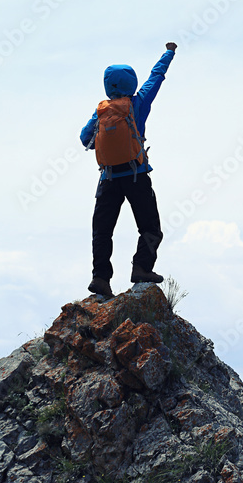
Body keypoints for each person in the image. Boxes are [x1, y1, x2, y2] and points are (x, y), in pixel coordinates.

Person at [80, 42, 177, 299]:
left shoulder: (101, 112)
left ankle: (100, 279)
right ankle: (142, 268)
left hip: (108, 178)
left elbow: (84, 138)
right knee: (150, 227)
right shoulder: (137, 104)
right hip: (136, 176)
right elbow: (156, 77)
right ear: (131, 83)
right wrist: (169, 53)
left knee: (102, 231)